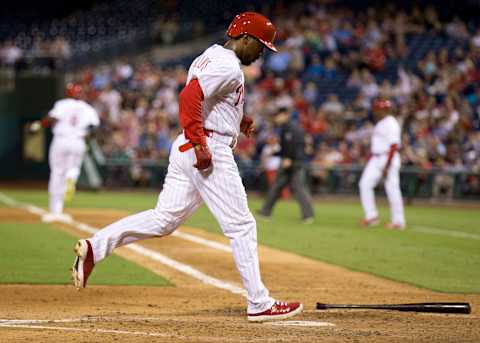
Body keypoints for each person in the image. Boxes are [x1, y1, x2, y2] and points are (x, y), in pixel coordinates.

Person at [71, 12, 303, 322]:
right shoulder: (228, 65)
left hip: (189, 145)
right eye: (260, 46)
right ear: (245, 39)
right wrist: (199, 143)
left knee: (164, 219)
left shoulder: (210, 55)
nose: (261, 53)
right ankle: (259, 302)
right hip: (206, 146)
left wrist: (239, 121)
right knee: (241, 225)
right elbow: (189, 96)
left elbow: (207, 98)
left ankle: (95, 247)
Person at [30, 83, 100, 223]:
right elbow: (94, 128)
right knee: (73, 168)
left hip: (61, 140)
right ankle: (71, 179)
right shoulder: (88, 108)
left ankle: (55, 211)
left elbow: (53, 118)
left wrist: (40, 124)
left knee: (57, 173)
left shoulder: (62, 103)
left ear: (68, 93)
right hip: (78, 141)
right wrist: (87, 139)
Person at [257, 107, 315, 223]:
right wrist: (276, 153)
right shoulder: (287, 127)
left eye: (278, 115)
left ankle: (308, 215)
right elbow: (287, 147)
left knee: (297, 188)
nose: (276, 118)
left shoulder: (290, 128)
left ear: (285, 115)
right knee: (282, 187)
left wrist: (289, 158)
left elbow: (296, 145)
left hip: (293, 162)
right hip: (291, 160)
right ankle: (265, 211)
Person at [359, 98, 406, 229]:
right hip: (376, 157)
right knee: (364, 184)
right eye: (377, 108)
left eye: (379, 108)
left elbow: (394, 145)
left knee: (392, 189)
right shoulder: (381, 123)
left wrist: (387, 165)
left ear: (385, 109)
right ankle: (371, 216)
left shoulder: (391, 123)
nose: (376, 111)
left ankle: (398, 221)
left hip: (387, 157)